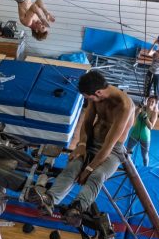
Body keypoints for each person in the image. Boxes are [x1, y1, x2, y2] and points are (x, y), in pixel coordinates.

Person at [25, 70, 135, 227]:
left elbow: (108, 146)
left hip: (112, 150)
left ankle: (77, 209)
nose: (88, 101)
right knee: (73, 166)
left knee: (97, 175)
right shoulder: (96, 98)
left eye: (89, 98)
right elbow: (87, 122)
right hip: (91, 142)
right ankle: (50, 199)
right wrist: (82, 145)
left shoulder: (124, 106)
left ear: (98, 92)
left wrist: (88, 169)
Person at [127, 96, 159, 167]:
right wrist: (139, 107)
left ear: (155, 104)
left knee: (144, 156)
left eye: (152, 102)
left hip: (145, 137)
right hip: (134, 134)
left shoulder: (154, 113)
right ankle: (129, 167)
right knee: (128, 152)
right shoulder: (142, 108)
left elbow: (150, 127)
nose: (150, 103)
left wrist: (145, 117)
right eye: (149, 101)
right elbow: (133, 116)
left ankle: (145, 168)